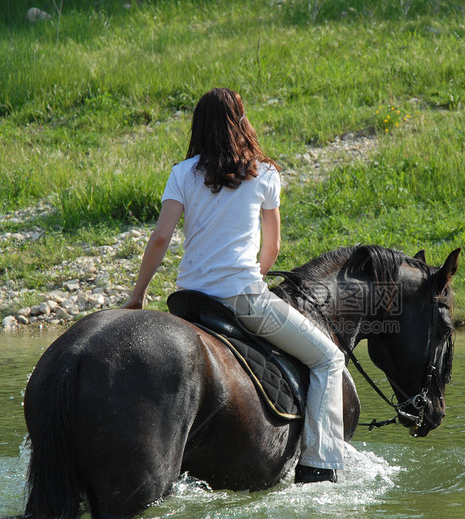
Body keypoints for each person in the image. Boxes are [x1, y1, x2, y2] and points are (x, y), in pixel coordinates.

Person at [122, 88, 345, 483]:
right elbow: (272, 246)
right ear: (241, 122)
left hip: (189, 300)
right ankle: (320, 465)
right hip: (243, 300)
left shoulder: (182, 173)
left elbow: (160, 238)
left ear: (198, 126)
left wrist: (138, 296)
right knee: (329, 359)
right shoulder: (265, 173)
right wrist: (253, 275)